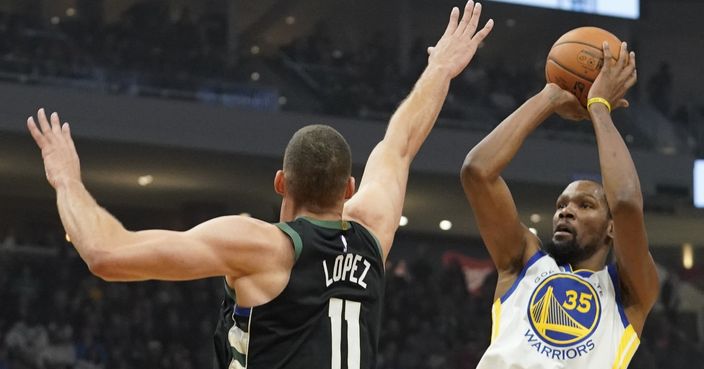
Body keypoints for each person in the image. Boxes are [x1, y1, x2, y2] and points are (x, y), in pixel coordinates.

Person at [27, 2, 494, 368]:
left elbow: (106, 256)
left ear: (279, 182)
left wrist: (66, 180)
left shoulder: (260, 246)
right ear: (349, 188)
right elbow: (401, 143)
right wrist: (440, 71)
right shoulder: (373, 233)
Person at [461, 41, 658, 368]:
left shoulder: (629, 293)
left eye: (585, 205)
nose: (566, 211)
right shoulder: (522, 264)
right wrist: (548, 97)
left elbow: (624, 202)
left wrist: (598, 107)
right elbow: (477, 172)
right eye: (562, 204)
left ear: (612, 228)